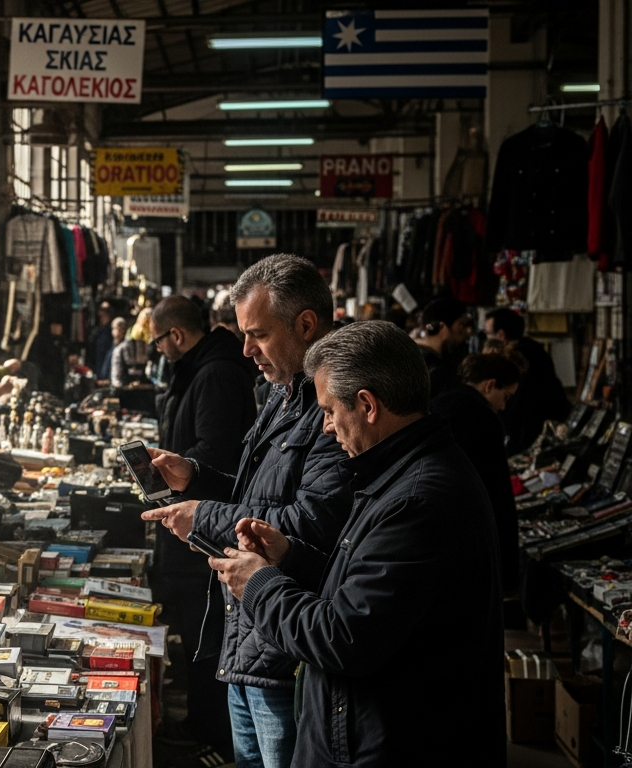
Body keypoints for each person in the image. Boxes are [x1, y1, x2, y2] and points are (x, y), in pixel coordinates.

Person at [208, 321, 504, 765]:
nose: (326, 428)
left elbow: (345, 636)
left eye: (329, 411)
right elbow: (363, 591)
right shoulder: (395, 473)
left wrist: (259, 585)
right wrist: (288, 557)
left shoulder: (418, 500)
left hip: (394, 746)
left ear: (367, 405)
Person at [142, 254, 353, 768]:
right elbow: (258, 493)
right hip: (248, 638)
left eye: (258, 334)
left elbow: (310, 521)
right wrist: (194, 477)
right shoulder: (283, 392)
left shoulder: (334, 406)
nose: (246, 350)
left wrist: (204, 516)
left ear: (305, 324)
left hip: (284, 648)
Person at [147, 295, 257, 756]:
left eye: (158, 341)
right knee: (197, 633)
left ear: (175, 335)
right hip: (196, 520)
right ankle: (204, 726)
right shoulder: (201, 369)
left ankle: (208, 733)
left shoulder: (215, 374)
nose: (158, 351)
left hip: (206, 529)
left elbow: (216, 451)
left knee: (203, 635)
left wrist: (181, 472)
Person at [430, 352, 522, 591]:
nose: (503, 406)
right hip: (469, 535)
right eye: (505, 396)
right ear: (490, 385)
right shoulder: (483, 419)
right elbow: (495, 491)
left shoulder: (437, 405)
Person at [485, 307, 571, 453]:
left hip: (530, 430)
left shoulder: (515, 358)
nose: (487, 339)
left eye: (488, 334)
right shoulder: (534, 348)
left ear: (501, 335)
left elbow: (520, 403)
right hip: (544, 424)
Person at [411, 297, 472, 398]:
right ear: (441, 326)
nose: (468, 331)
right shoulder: (439, 373)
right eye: (461, 324)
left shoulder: (409, 353)